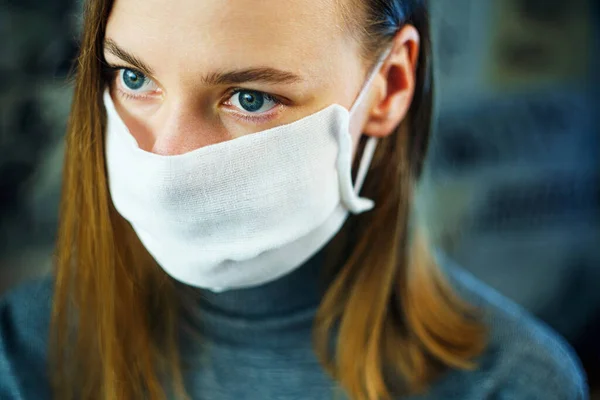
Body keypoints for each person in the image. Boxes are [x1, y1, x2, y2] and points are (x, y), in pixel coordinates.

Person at [0, 0, 589, 399]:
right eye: (134, 79)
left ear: (388, 88)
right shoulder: (20, 352)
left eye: (250, 98)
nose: (167, 158)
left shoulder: (511, 384)